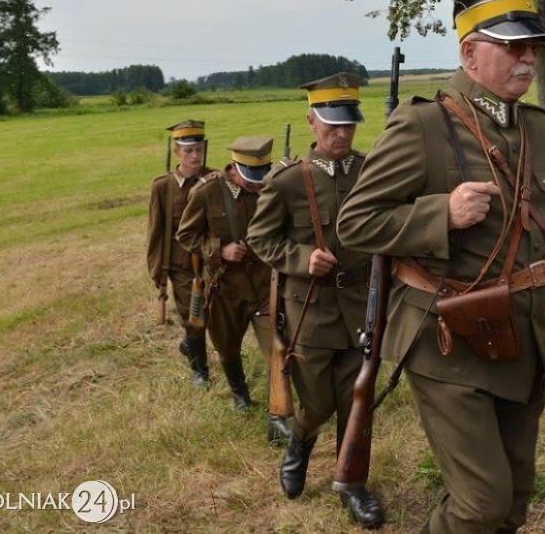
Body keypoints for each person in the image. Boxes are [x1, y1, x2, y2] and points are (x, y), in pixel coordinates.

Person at [336, 0, 545, 534]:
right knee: (481, 502)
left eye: (535, 48)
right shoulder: (423, 125)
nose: (529, 60)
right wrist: (441, 214)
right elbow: (355, 223)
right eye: (513, 47)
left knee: (513, 501)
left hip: (522, 335)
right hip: (445, 339)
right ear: (469, 52)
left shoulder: (542, 128)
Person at [246, 74, 385, 528]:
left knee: (356, 403)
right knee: (317, 404)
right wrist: (303, 258)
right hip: (311, 310)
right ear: (311, 121)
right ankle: (300, 443)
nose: (341, 134)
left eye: (348, 125)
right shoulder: (288, 182)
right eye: (331, 125)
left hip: (363, 304)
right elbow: (261, 239)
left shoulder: (370, 171)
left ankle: (352, 483)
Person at [176, 135, 292, 444]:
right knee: (227, 345)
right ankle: (240, 393)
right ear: (234, 167)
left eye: (261, 176)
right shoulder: (208, 192)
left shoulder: (272, 186)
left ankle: (276, 415)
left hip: (265, 285)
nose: (256, 185)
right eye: (250, 178)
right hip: (225, 288)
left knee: (277, 350)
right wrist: (219, 249)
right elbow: (186, 235)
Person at [146, 120, 214, 387]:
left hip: (210, 261)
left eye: (198, 150)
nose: (195, 156)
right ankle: (200, 370)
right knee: (192, 315)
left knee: (212, 313)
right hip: (180, 265)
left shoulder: (214, 179)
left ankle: (189, 342)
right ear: (177, 152)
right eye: (189, 151)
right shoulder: (163, 186)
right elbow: (156, 230)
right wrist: (157, 273)